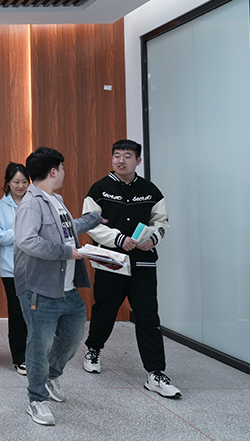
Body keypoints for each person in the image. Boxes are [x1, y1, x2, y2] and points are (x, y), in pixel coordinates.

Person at [81, 139, 179, 398]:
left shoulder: (150, 191)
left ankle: (156, 372)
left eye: (127, 156)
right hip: (111, 262)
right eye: (116, 155)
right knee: (105, 310)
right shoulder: (99, 189)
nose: (121, 160)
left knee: (148, 316)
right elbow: (91, 224)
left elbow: (161, 221)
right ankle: (93, 349)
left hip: (142, 264)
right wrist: (118, 239)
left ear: (138, 160)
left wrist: (154, 238)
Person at [14, 147, 102, 426]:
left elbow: (65, 231)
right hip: (39, 288)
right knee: (38, 345)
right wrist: (67, 253)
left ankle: (50, 376)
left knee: (73, 336)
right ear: (53, 171)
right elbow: (26, 240)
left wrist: (93, 219)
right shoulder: (31, 203)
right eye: (62, 168)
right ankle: (36, 399)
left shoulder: (56, 200)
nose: (64, 173)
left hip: (66, 287)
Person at [0, 162, 31, 376]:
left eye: (24, 182)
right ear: (8, 183)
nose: (20, 186)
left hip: (35, 267)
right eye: (16, 182)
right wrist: (21, 234)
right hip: (10, 267)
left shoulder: (35, 202)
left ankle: (34, 353)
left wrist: (15, 234)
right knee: (16, 312)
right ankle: (19, 357)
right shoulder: (0, 206)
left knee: (34, 312)